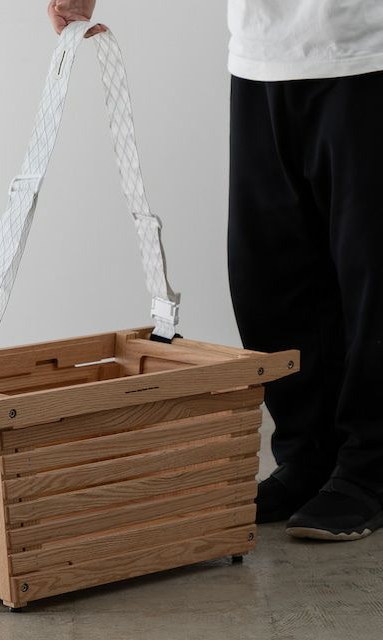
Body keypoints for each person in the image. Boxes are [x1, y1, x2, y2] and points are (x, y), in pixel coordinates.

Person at [48, 0, 383, 541]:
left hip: (366, 52)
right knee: (269, 276)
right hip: (261, 53)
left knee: (369, 274)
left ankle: (371, 468)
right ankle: (308, 457)